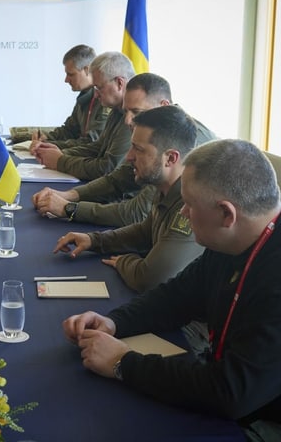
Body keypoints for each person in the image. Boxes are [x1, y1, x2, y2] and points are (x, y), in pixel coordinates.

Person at [62, 139, 281, 440]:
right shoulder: (231, 240)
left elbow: (231, 393)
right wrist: (115, 321)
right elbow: (177, 295)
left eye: (190, 205)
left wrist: (123, 363)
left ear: (227, 215)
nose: (184, 214)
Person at [33, 73, 216, 227]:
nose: (128, 120)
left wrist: (69, 208)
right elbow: (120, 179)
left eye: (136, 112)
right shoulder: (160, 128)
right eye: (126, 111)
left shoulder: (181, 140)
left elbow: (137, 213)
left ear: (164, 105)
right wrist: (71, 195)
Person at [53, 105, 203, 292]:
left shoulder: (192, 204)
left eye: (138, 149)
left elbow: (148, 279)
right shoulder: (166, 186)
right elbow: (145, 232)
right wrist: (94, 240)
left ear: (170, 158)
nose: (129, 157)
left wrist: (125, 261)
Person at [33, 51, 135, 180]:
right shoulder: (116, 110)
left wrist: (61, 161)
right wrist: (59, 153)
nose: (96, 95)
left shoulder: (133, 117)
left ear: (120, 83)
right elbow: (98, 147)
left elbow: (108, 168)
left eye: (99, 88)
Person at [24, 45, 109, 151]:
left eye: (71, 74)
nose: (66, 80)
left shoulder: (105, 100)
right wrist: (46, 137)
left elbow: (90, 142)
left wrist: (50, 145)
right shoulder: (85, 96)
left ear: (87, 69)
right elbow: (70, 130)